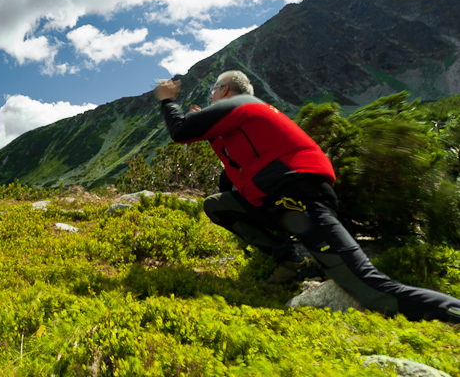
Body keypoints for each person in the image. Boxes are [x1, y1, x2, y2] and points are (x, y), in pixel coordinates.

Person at [155, 70, 460, 323]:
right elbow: (233, 172)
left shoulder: (241, 103)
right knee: (218, 206)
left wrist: (168, 101)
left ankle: (450, 311)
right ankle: (291, 261)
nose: (210, 96)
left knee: (364, 283)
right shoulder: (245, 118)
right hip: (282, 200)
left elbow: (180, 131)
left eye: (213, 89)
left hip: (298, 193)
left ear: (225, 90)